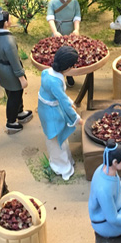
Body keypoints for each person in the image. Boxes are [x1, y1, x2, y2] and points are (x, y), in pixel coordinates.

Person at [37, 46, 82, 180]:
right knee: (56, 142)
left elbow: (60, 96)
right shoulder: (55, 81)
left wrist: (69, 101)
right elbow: (63, 102)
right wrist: (77, 118)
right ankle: (62, 167)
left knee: (60, 139)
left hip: (47, 108)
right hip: (51, 114)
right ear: (67, 67)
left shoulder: (46, 72)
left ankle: (66, 161)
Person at [0, 7, 32, 134]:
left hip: (1, 67)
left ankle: (20, 111)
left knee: (12, 93)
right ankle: (11, 121)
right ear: (6, 22)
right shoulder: (9, 41)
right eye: (9, 18)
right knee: (15, 95)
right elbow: (14, 61)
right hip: (11, 71)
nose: (11, 19)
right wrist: (21, 77)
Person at [47, 0, 81, 86]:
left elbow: (77, 17)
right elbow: (50, 18)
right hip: (58, 31)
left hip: (70, 32)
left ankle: (69, 75)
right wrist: (55, 32)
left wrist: (76, 29)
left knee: (70, 54)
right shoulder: (52, 3)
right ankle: (56, 77)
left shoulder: (74, 2)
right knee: (57, 54)